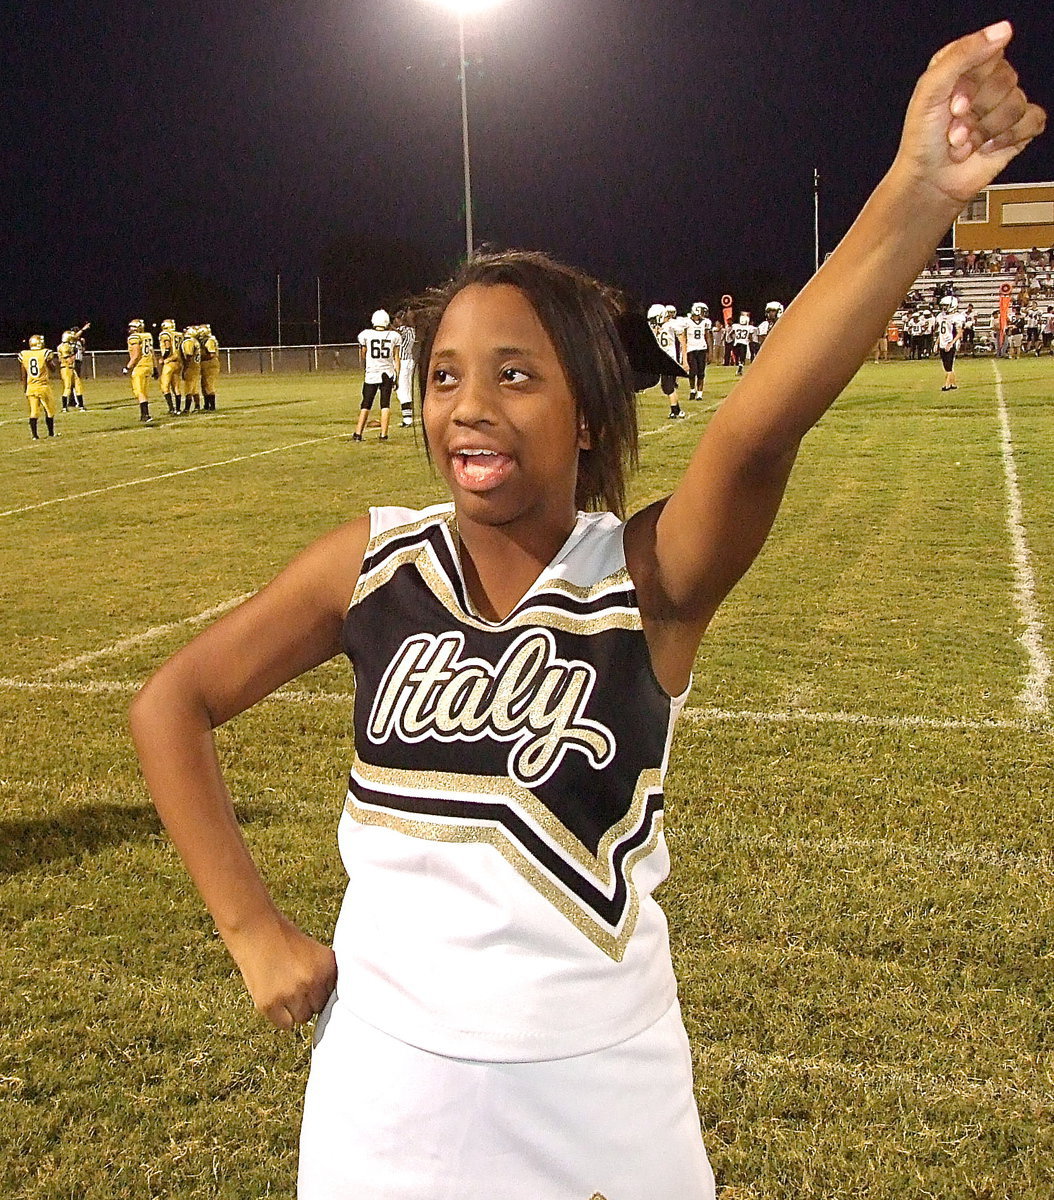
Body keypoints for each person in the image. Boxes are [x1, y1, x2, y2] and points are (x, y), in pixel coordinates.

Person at [128, 24, 1043, 1200]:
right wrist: (251, 928)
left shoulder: (648, 578)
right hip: (384, 1090)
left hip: (601, 1094)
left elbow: (758, 426)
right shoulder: (372, 561)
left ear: (592, 418)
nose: (469, 406)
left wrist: (918, 189)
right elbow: (174, 704)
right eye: (446, 375)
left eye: (516, 375)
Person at [353, 309, 401, 442]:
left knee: (366, 404)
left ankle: (358, 433)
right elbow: (396, 357)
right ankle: (383, 434)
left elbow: (363, 354)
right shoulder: (394, 336)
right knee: (385, 404)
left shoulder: (366, 334)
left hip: (372, 374)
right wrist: (397, 375)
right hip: (388, 373)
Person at [19, 334, 59, 440]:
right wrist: (50, 363)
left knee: (34, 411)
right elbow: (53, 369)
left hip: (31, 386)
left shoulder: (24, 354)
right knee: (49, 410)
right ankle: (51, 433)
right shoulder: (44, 353)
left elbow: (23, 374)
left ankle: (34, 435)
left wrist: (25, 388)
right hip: (43, 386)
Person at [124, 319, 156, 423]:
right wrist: (155, 368)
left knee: (139, 391)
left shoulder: (134, 337)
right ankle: (144, 414)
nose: (130, 329)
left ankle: (145, 415)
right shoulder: (147, 336)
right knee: (144, 391)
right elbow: (152, 352)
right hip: (148, 365)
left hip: (140, 367)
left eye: (132, 327)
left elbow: (136, 355)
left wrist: (128, 367)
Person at [683, 302, 712, 403]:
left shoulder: (705, 322)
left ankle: (699, 394)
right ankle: (692, 390)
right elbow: (684, 337)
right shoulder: (687, 322)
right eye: (703, 311)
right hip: (691, 349)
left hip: (701, 349)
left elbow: (708, 337)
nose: (704, 313)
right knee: (692, 372)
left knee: (701, 373)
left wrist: (710, 352)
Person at [57, 323, 90, 410]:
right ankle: (64, 407)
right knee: (67, 387)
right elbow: (69, 360)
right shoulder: (64, 347)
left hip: (71, 368)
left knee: (78, 385)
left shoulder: (67, 345)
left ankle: (81, 405)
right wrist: (74, 353)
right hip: (66, 368)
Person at [935, 294, 964, 389]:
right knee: (946, 365)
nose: (944, 308)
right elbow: (940, 332)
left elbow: (959, 333)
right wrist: (937, 342)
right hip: (943, 342)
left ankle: (946, 384)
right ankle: (953, 383)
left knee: (948, 365)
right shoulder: (940, 316)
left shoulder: (957, 317)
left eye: (946, 305)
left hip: (951, 343)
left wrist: (951, 343)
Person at [394, 312, 417, 427]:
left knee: (402, 390)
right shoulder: (412, 330)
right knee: (405, 389)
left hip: (402, 361)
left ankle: (407, 419)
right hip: (409, 361)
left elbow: (395, 333)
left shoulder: (402, 330)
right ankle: (408, 417)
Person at [158, 319, 183, 414]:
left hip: (170, 362)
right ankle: (178, 409)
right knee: (176, 387)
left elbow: (167, 347)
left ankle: (171, 409)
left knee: (164, 387)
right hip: (178, 362)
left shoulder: (165, 334)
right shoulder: (179, 334)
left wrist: (163, 358)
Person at [180, 325, 203, 413]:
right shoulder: (195, 341)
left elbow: (189, 355)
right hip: (196, 366)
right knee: (194, 388)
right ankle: (197, 406)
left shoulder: (189, 341)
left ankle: (187, 408)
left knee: (188, 388)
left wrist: (185, 367)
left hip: (191, 366)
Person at [200, 324, 221, 410]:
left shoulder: (209, 340)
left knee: (209, 384)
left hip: (210, 363)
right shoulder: (206, 340)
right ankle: (206, 405)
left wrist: (200, 357)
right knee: (204, 385)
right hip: (206, 363)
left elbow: (211, 354)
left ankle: (212, 406)